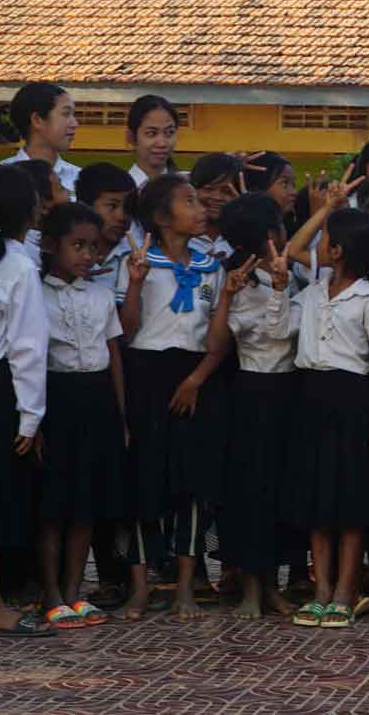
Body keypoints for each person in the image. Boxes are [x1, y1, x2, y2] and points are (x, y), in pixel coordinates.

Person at [284, 208, 369, 629]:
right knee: (319, 501)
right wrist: (323, 210)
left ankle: (343, 592)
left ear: (336, 249)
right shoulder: (313, 290)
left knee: (350, 503)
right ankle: (320, 592)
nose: (317, 247)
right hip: (309, 400)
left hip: (351, 403)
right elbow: (293, 251)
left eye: (326, 239)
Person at [116, 174, 228, 622]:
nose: (200, 209)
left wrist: (197, 379)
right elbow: (125, 331)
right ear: (162, 216)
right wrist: (139, 282)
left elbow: (221, 338)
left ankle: (185, 586)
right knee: (145, 480)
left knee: (192, 483)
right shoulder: (137, 261)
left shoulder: (212, 266)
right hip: (147, 374)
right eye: (188, 201)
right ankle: (141, 587)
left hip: (195, 377)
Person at [0, 164, 53, 638]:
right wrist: (30, 417)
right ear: (30, 210)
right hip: (5, 388)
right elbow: (28, 347)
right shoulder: (18, 266)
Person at [34, 202, 129, 631]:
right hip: (56, 396)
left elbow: (112, 357)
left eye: (93, 247)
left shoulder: (102, 295)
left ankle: (75, 590)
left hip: (96, 399)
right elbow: (32, 358)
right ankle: (50, 592)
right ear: (52, 246)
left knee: (86, 503)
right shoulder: (35, 293)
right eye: (77, 246)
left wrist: (122, 416)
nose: (87, 256)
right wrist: (31, 419)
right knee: (54, 503)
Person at [214, 194, 299, 621]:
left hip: (287, 391)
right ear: (269, 236)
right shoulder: (239, 282)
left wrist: (283, 287)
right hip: (251, 390)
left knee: (281, 489)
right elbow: (234, 339)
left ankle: (273, 586)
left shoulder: (289, 277)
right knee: (250, 491)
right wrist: (238, 296)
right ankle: (249, 587)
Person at [0, 81, 81, 196]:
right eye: (66, 114)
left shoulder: (80, 178)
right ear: (37, 120)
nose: (75, 123)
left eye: (73, 115)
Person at [125, 95, 181, 187]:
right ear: (131, 137)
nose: (162, 143)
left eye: (169, 132)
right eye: (151, 133)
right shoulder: (122, 192)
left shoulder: (188, 188)